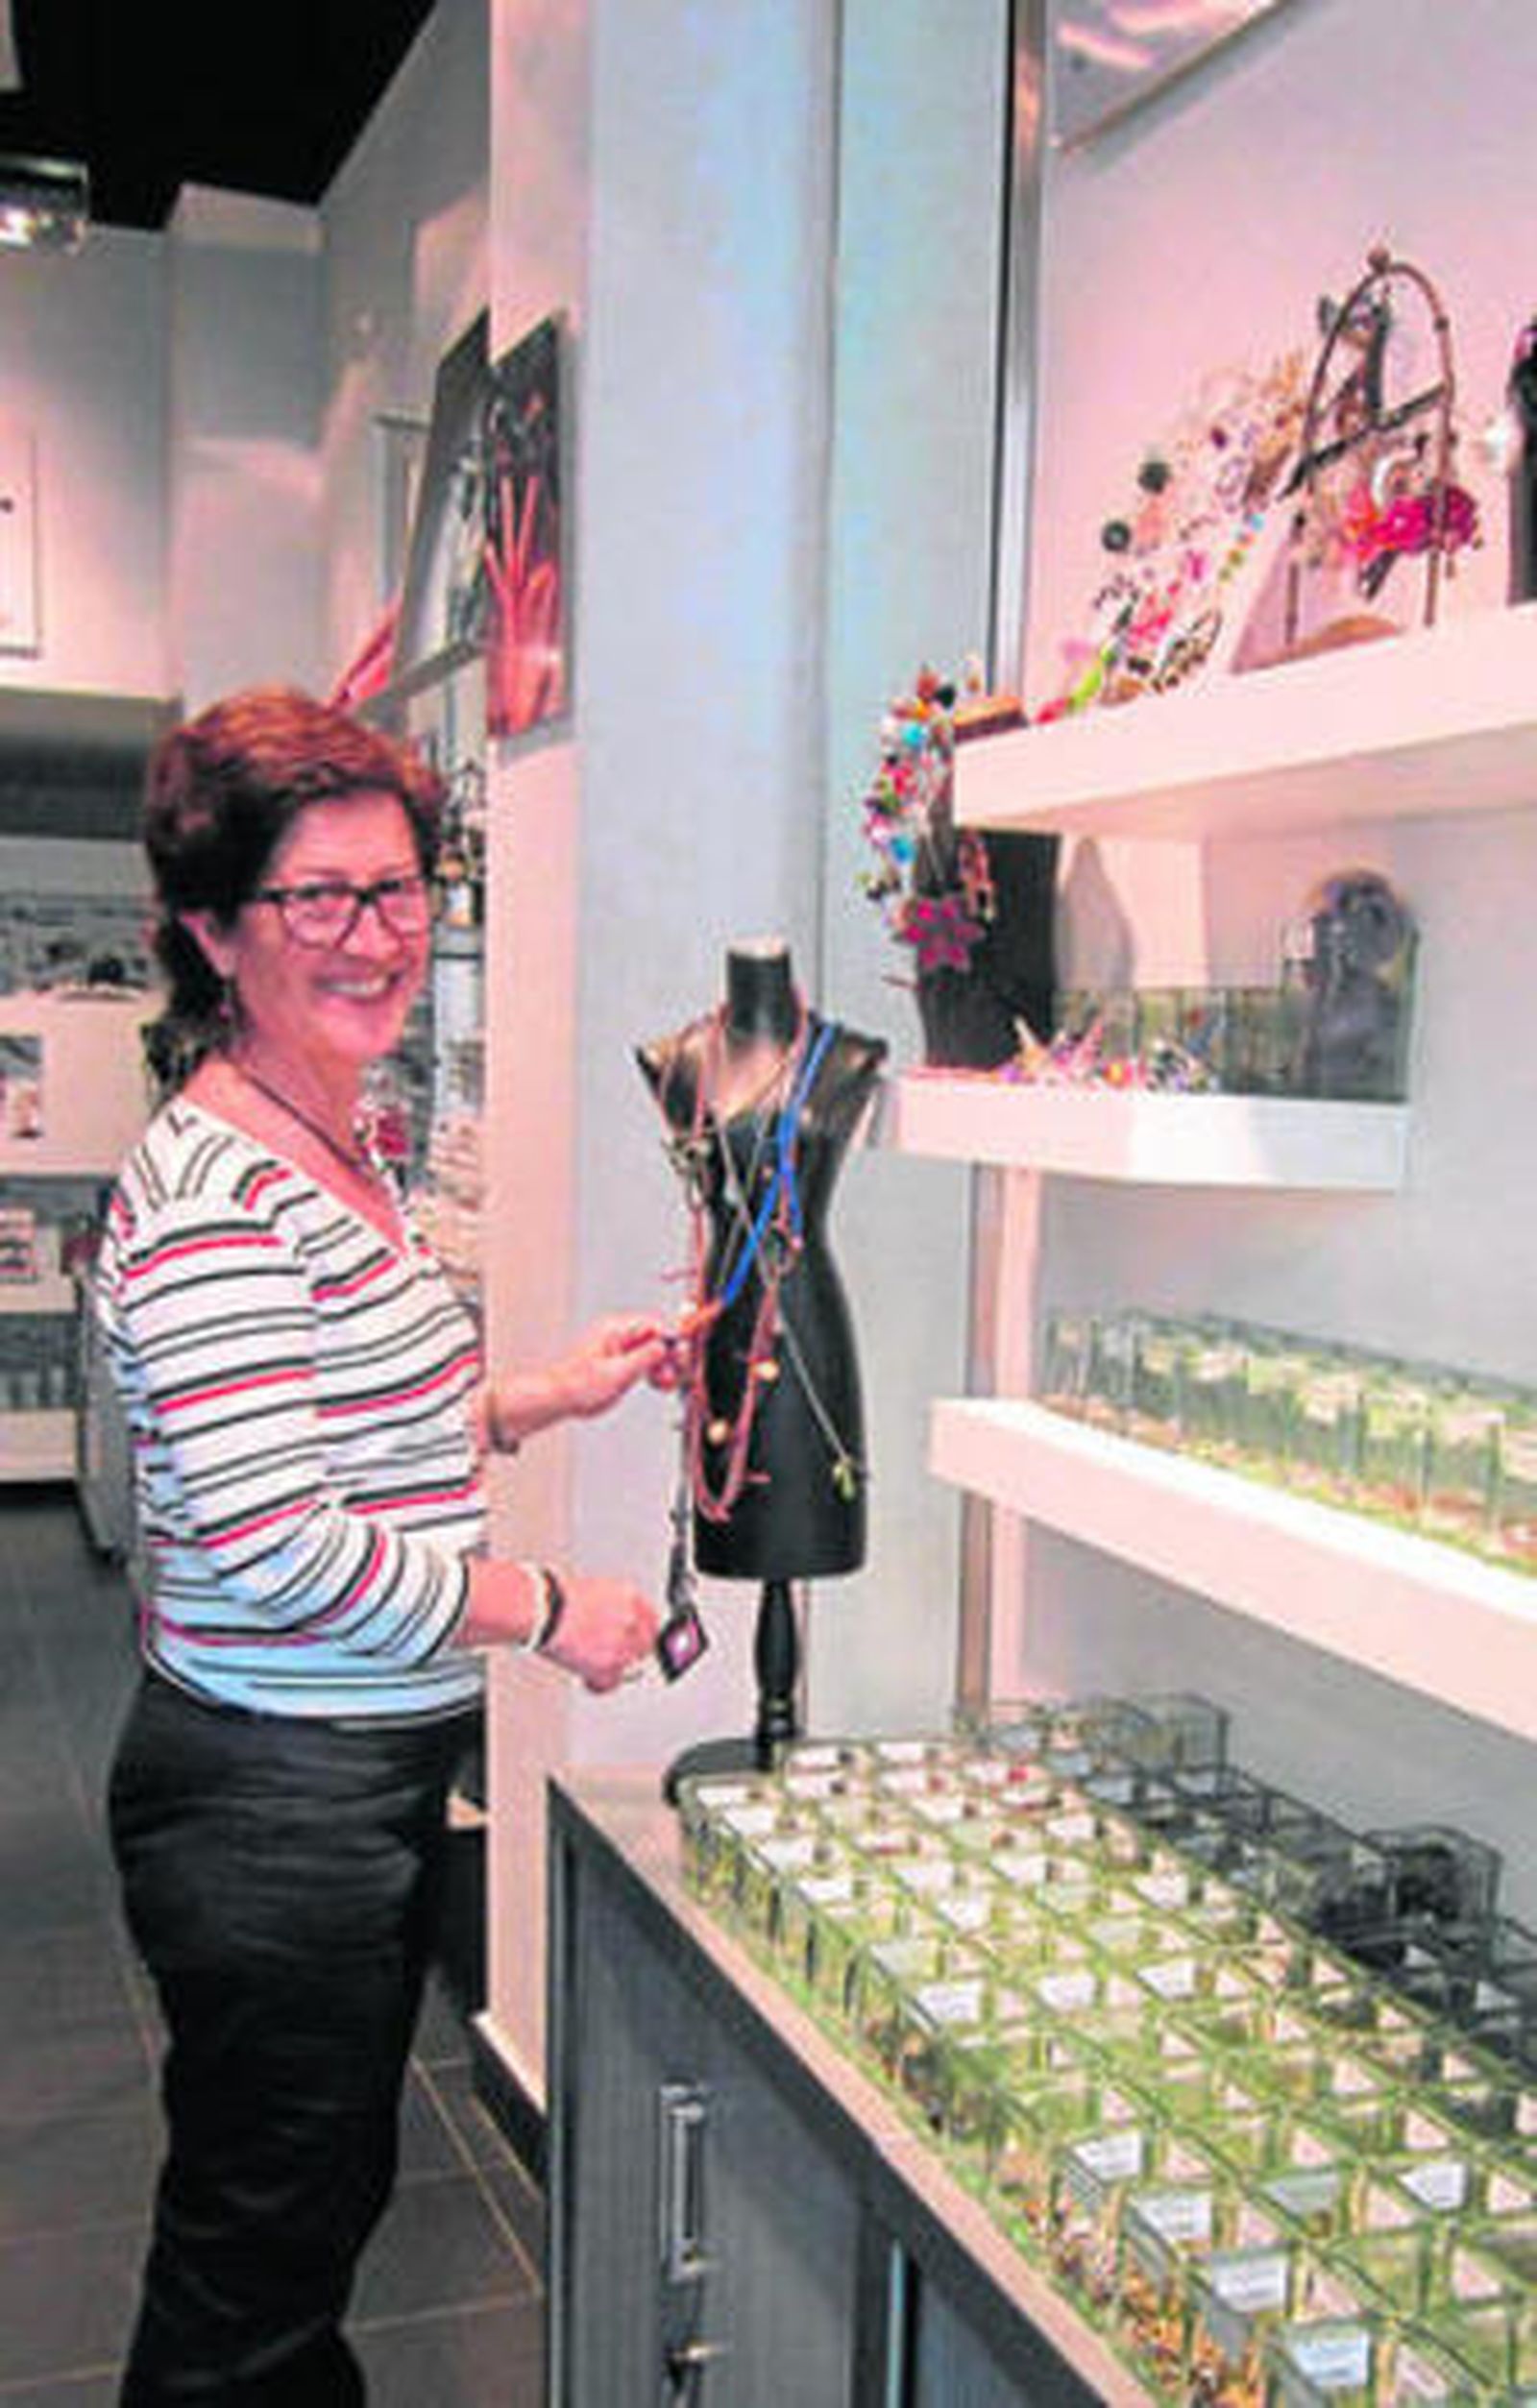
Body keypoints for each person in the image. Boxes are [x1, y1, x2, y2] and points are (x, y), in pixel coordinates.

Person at [96, 684, 666, 2407]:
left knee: (302, 2217)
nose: (376, 936)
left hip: (344, 1773)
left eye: (401, 888)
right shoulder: (217, 1196)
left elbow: (333, 1433)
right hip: (272, 1799)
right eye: (319, 898)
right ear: (214, 930)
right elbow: (280, 1543)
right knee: (254, 2270)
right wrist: (547, 1607)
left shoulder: (335, 1140)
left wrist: (539, 1395)